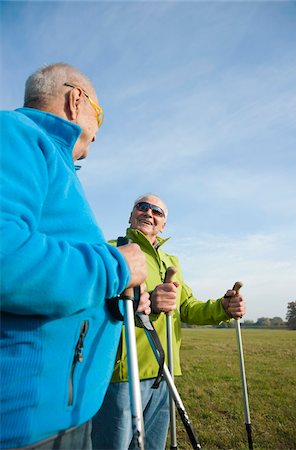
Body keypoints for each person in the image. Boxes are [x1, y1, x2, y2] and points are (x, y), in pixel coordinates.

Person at [0, 63, 151, 450]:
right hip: (25, 425)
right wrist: (117, 266)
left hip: (67, 416)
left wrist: (123, 299)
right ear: (75, 100)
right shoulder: (15, 134)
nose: (99, 131)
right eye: (100, 115)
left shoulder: (60, 168)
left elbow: (66, 276)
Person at [92, 193, 246, 450]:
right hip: (124, 374)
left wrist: (223, 307)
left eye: (157, 211)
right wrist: (147, 301)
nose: (149, 213)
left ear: (164, 225)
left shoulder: (171, 262)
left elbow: (187, 307)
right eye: (142, 206)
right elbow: (96, 304)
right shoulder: (110, 250)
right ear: (131, 215)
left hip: (165, 374)